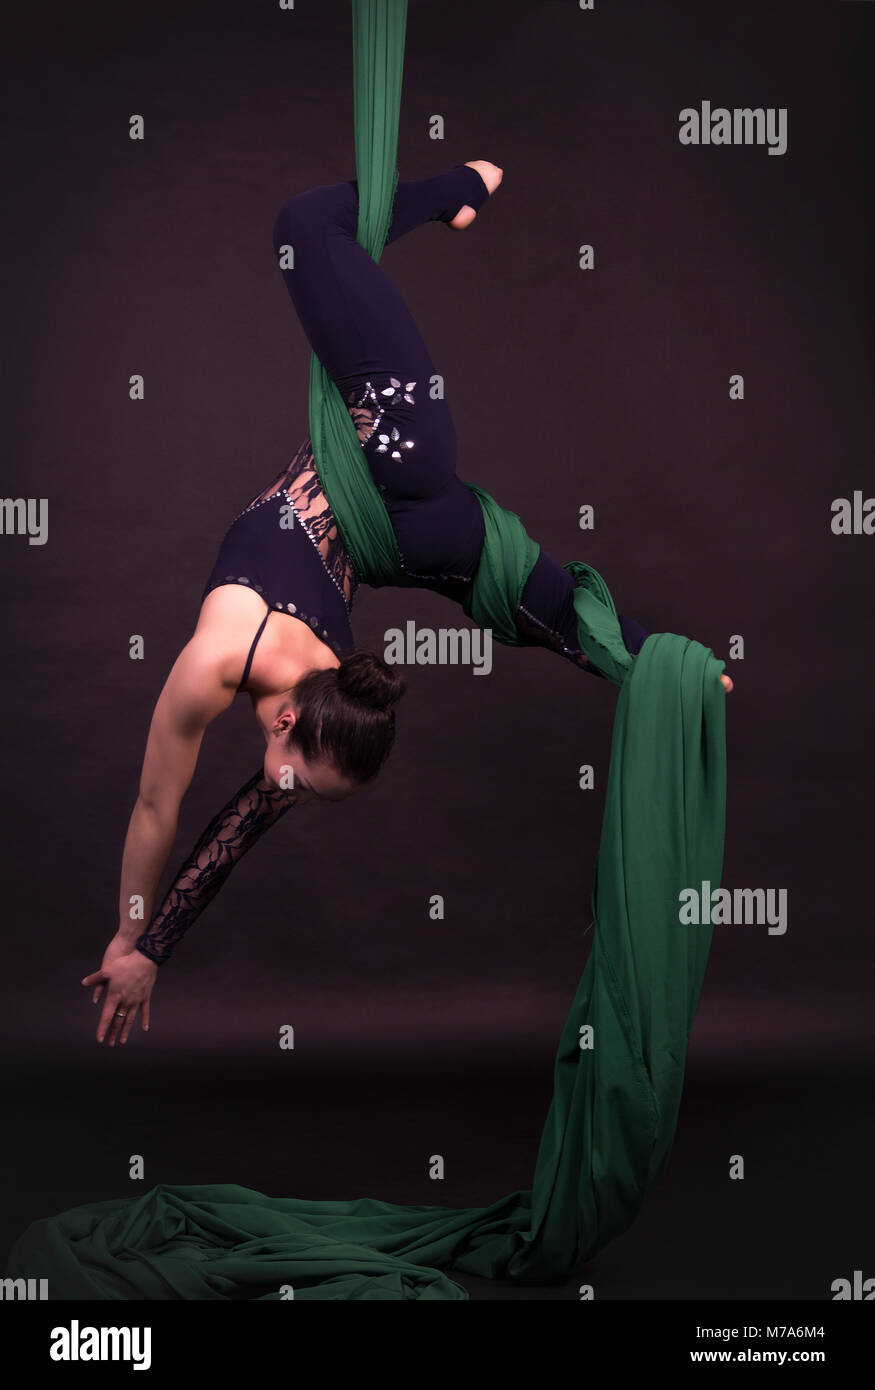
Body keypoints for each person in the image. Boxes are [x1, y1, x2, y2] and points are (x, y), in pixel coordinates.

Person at [83, 161, 733, 1047]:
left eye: (300, 789)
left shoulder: (273, 694)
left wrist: (139, 938)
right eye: (305, 787)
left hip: (396, 498)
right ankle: (670, 666)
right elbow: (189, 823)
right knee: (307, 229)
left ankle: (675, 669)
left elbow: (192, 824)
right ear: (294, 727)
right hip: (398, 493)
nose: (283, 795)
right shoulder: (267, 692)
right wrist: (137, 938)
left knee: (533, 604)